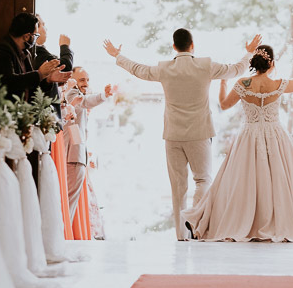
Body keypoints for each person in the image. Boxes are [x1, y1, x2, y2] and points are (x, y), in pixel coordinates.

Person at [103, 28, 260, 240]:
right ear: (192, 45)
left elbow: (138, 70)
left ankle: (180, 234)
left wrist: (117, 55)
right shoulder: (205, 65)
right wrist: (249, 52)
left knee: (178, 187)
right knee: (203, 180)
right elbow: (235, 70)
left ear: (174, 46)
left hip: (173, 134)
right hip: (200, 133)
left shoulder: (164, 68)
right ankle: (195, 225)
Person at [182, 42, 293, 242]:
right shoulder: (278, 84)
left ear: (254, 63)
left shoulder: (243, 84)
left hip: (249, 136)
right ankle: (277, 222)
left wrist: (223, 83)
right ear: (272, 63)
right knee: (279, 179)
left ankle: (235, 222)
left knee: (241, 181)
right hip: (275, 136)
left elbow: (224, 105)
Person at [0, 12, 69, 102]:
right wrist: (39, 74)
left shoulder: (25, 53)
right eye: (35, 35)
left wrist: (48, 80)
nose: (35, 38)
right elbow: (9, 83)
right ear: (26, 36)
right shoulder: (1, 51)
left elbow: (30, 88)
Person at [63, 67, 114, 218]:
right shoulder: (72, 93)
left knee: (69, 203)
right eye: (82, 80)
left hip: (75, 156)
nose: (85, 83)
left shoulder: (74, 94)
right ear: (72, 80)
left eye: (87, 80)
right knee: (68, 204)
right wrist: (103, 95)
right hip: (72, 157)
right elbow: (86, 101)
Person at [31, 13, 72, 108]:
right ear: (36, 29)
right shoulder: (38, 51)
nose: (46, 29)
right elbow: (65, 67)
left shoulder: (38, 50)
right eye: (43, 25)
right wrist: (65, 46)